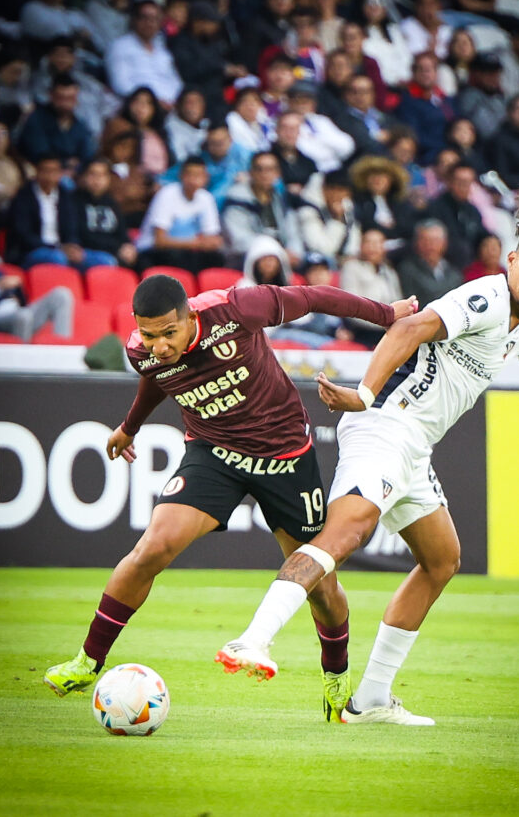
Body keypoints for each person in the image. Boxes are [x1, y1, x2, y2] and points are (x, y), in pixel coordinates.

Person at [216, 175, 519, 725]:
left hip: (413, 445)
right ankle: (253, 640)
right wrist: (365, 393)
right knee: (346, 534)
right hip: (384, 426)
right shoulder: (486, 297)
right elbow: (412, 327)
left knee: (441, 560)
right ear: (511, 259)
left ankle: (370, 699)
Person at [43, 272, 417, 726]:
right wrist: (130, 427)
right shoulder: (143, 350)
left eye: (168, 333)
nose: (157, 344)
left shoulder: (237, 308)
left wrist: (383, 314)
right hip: (213, 454)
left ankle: (336, 677)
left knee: (319, 583)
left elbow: (311, 296)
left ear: (189, 316)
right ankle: (87, 662)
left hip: (284, 457)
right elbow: (156, 377)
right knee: (150, 550)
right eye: (148, 333)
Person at [0, 221, 74, 341]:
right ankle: (22, 357)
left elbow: (23, 303)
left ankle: (61, 345)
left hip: (14, 313)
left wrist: (17, 291)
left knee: (61, 294)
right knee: (23, 316)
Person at [136, 155, 222, 274]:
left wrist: (206, 243)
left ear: (206, 178)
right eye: (190, 175)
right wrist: (196, 243)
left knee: (216, 258)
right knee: (178, 257)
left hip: (188, 252)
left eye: (198, 175)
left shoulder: (206, 198)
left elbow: (212, 239)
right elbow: (160, 241)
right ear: (181, 175)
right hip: (153, 251)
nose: (193, 180)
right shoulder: (166, 194)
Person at [396, 219, 463, 305]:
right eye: (425, 240)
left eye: (435, 240)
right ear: (417, 242)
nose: (430, 245)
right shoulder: (407, 270)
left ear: (445, 243)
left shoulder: (454, 272)